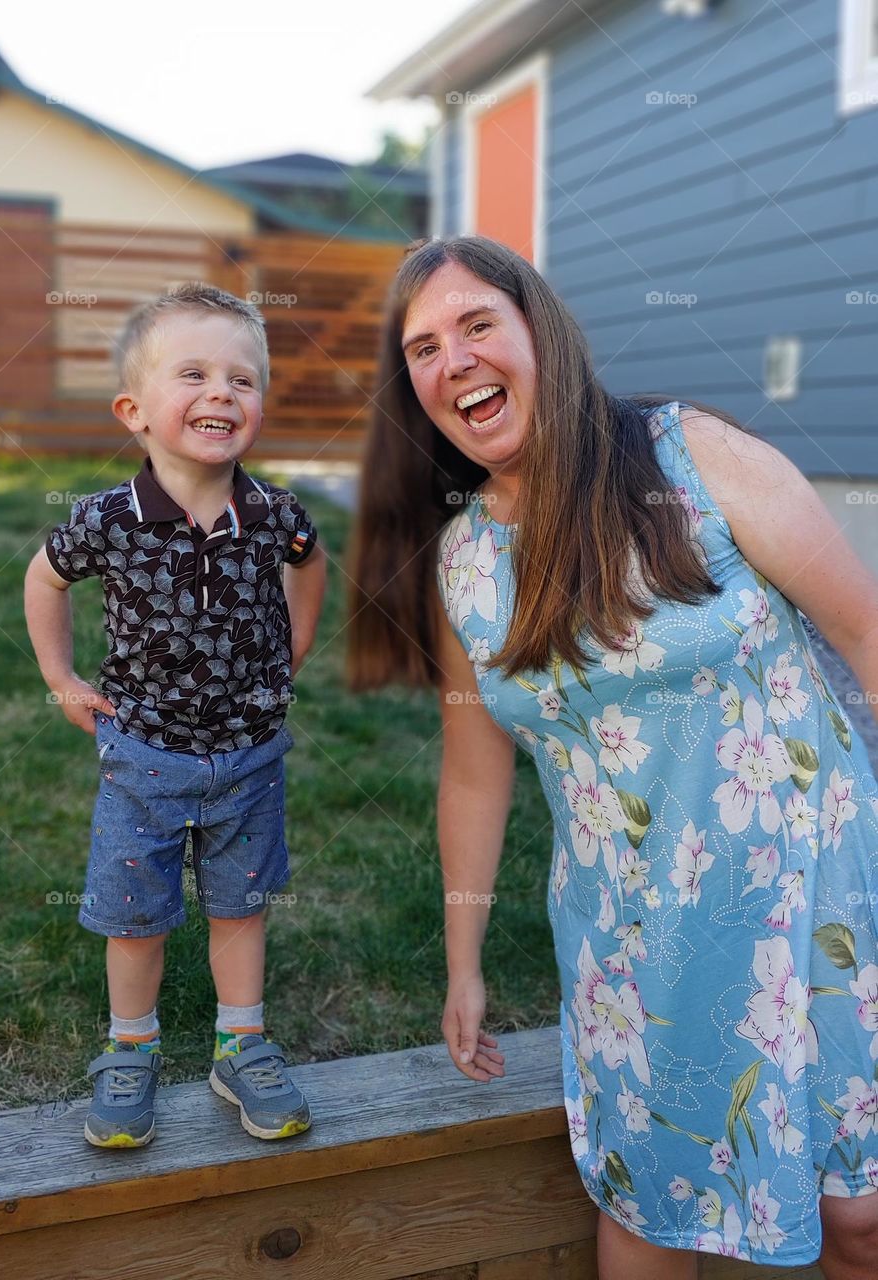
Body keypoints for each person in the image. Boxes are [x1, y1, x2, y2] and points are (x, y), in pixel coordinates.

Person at [346, 235, 878, 1278]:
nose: (452, 359)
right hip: (635, 948)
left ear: (537, 330)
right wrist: (463, 961)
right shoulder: (464, 561)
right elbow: (474, 768)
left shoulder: (690, 455)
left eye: (475, 324)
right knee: (650, 1206)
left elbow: (866, 632)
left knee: (860, 1216)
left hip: (818, 905)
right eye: (422, 347)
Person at [24, 283, 326, 1148]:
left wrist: (294, 643)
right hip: (143, 757)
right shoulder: (109, 520)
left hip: (251, 756)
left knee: (240, 905)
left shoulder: (273, 514)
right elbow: (44, 577)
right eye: (193, 374)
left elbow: (310, 562)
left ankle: (242, 1043)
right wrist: (61, 676)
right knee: (135, 911)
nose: (222, 393)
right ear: (136, 410)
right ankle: (130, 1050)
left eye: (242, 379)